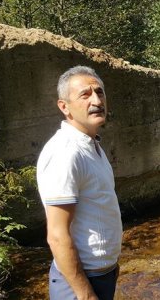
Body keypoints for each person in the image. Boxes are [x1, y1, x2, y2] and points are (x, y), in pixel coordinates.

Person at [36, 66, 122, 300]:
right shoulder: (65, 152)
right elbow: (56, 235)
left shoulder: (91, 145)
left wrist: (113, 264)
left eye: (100, 92)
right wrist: (86, 295)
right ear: (64, 107)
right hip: (79, 282)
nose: (96, 100)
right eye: (85, 94)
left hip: (101, 273)